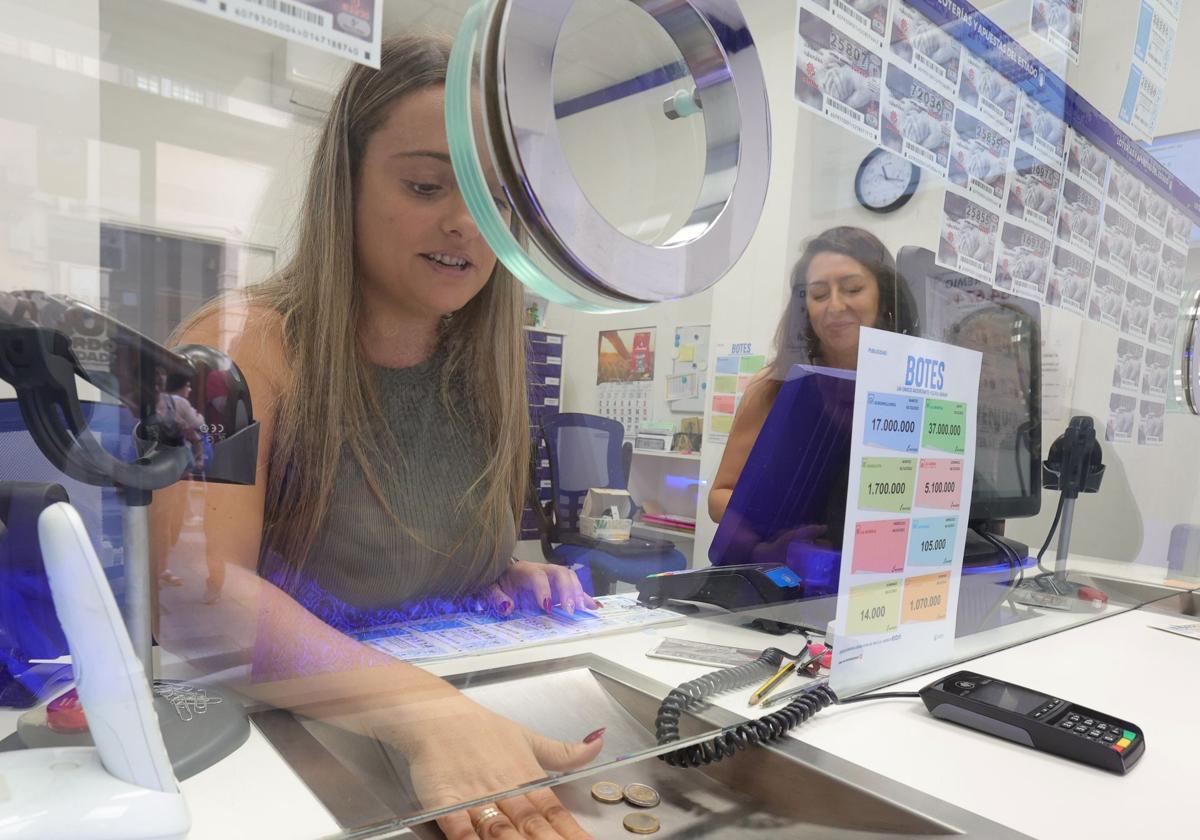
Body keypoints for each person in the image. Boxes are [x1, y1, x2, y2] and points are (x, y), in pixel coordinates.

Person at [151, 35, 602, 840]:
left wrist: (494, 570)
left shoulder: (486, 364)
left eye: (498, 201)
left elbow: (390, 546)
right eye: (428, 184)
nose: (468, 224)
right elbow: (195, 600)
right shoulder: (232, 349)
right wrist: (421, 711)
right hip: (272, 762)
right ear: (346, 184)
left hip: (447, 728)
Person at [708, 227, 911, 523]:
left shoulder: (908, 387)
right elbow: (719, 497)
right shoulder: (774, 385)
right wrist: (777, 530)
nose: (835, 306)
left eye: (853, 289)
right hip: (782, 561)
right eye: (818, 294)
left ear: (884, 297)